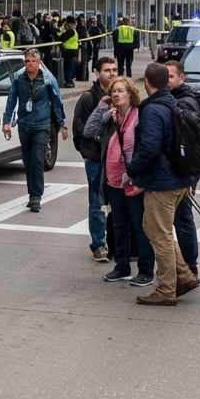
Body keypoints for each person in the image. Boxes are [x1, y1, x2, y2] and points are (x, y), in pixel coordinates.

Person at [127, 63, 200, 306]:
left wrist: (132, 170)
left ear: (147, 82)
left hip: (162, 182)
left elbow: (149, 147)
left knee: (160, 236)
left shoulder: (153, 109)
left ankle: (167, 289)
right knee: (155, 229)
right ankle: (185, 276)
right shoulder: (173, 103)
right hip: (179, 178)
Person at [84, 76, 156, 287]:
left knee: (139, 225)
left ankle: (146, 271)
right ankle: (122, 267)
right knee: (118, 224)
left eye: (120, 90)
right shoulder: (110, 116)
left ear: (130, 94)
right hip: (113, 179)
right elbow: (89, 132)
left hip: (133, 180)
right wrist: (100, 109)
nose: (116, 94)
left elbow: (146, 147)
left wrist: (140, 176)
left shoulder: (139, 115)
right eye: (113, 91)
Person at [1, 49, 68, 212]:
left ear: (38, 62)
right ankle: (32, 194)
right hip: (24, 125)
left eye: (32, 61)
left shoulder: (47, 79)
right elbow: (11, 100)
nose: (29, 64)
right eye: (26, 61)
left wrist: (62, 124)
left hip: (41, 126)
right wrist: (6, 122)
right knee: (28, 162)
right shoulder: (19, 78)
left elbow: (57, 102)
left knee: (37, 161)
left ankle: (36, 196)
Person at [72, 56, 117, 263]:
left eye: (114, 69)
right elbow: (80, 129)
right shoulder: (89, 98)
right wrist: (94, 145)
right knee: (97, 202)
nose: (112, 73)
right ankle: (98, 244)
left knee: (117, 202)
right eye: (107, 70)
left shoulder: (120, 94)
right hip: (96, 159)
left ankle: (116, 243)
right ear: (97, 73)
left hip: (116, 159)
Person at [164, 60, 200, 278]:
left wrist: (192, 179)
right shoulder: (172, 99)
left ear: (181, 77)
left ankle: (190, 267)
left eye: (171, 76)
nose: (167, 81)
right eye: (165, 76)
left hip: (183, 174)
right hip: (176, 173)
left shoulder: (185, 103)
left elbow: (193, 145)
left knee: (183, 220)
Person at [59, 18, 80, 88]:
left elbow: (61, 38)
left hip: (68, 50)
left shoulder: (70, 31)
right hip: (72, 50)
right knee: (70, 67)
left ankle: (69, 82)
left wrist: (60, 31)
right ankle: (69, 81)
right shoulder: (74, 31)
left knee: (68, 67)